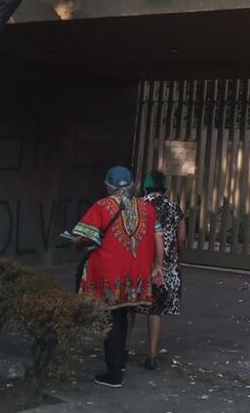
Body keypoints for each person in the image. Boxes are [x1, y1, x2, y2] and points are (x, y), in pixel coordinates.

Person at [70, 166, 164, 388]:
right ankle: (118, 362)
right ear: (132, 185)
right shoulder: (147, 208)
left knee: (111, 318)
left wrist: (77, 241)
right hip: (136, 274)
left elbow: (84, 236)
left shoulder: (102, 206)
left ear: (109, 185)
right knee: (122, 315)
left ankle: (114, 372)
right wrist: (158, 266)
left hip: (108, 273)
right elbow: (157, 236)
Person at [130, 171, 185, 370]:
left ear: (145, 187)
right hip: (165, 266)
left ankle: (123, 349)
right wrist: (178, 258)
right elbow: (181, 239)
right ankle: (152, 355)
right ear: (164, 188)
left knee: (130, 306)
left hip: (139, 263)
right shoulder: (174, 207)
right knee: (155, 309)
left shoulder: (136, 205)